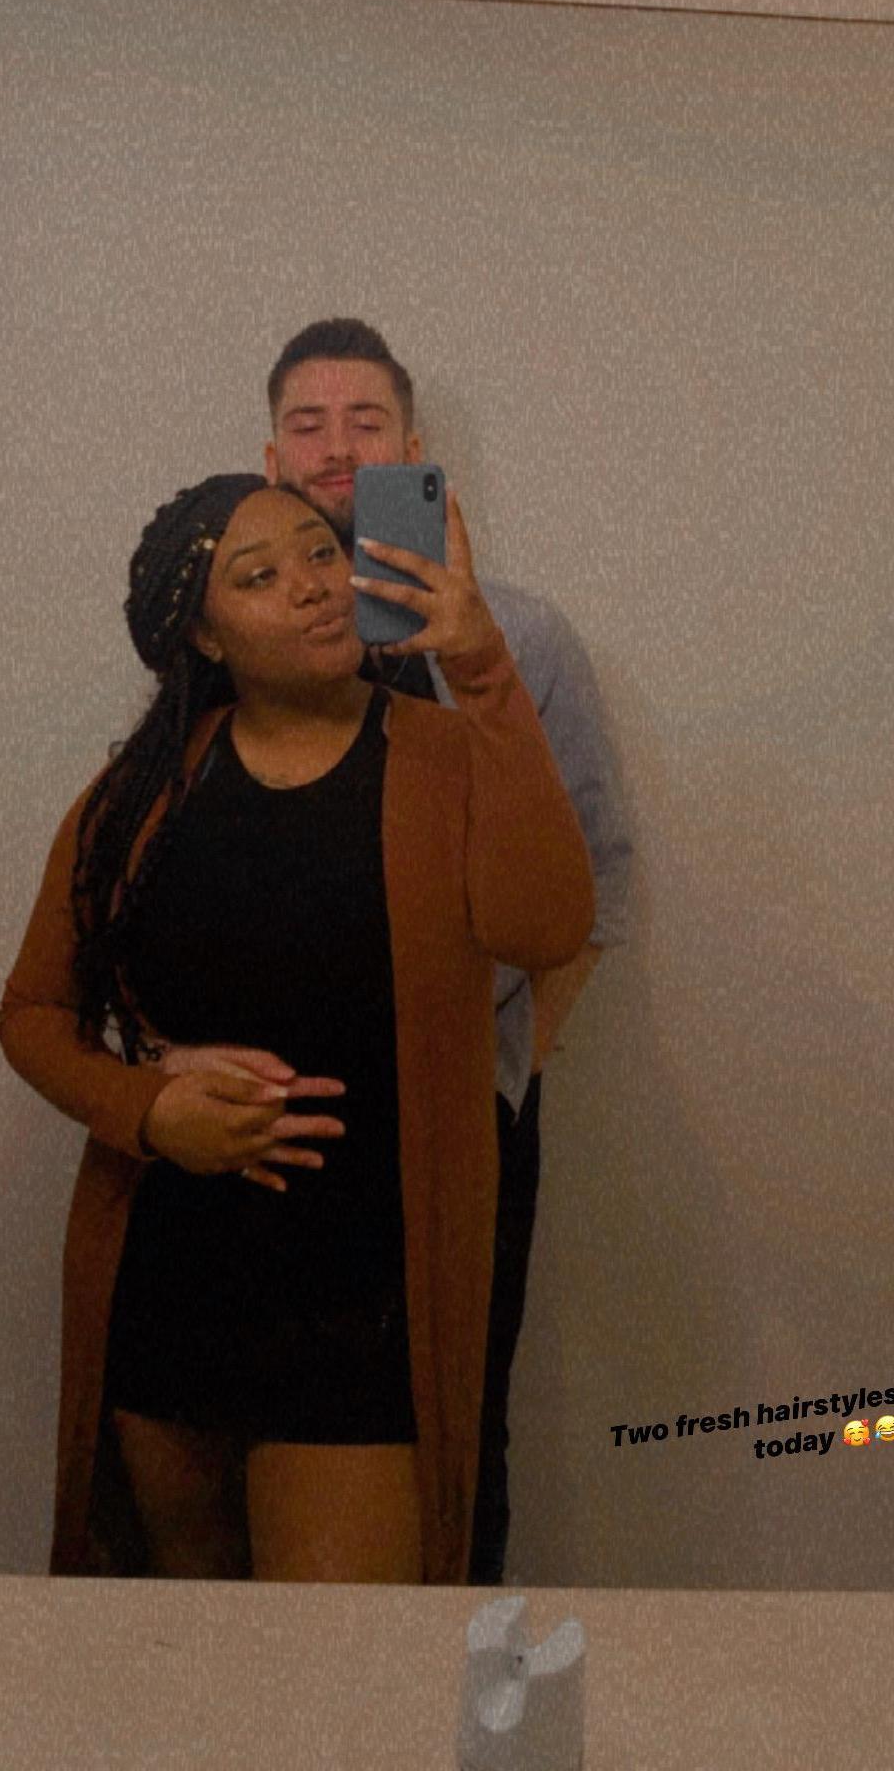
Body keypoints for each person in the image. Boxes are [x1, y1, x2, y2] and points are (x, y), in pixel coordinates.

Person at [0, 471, 593, 1585]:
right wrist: (152, 1111)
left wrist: (481, 665)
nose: (312, 586)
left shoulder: (442, 755)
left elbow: (550, 924)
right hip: (171, 1291)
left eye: (322, 553)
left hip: (366, 1306)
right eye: (259, 576)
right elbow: (32, 1015)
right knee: (187, 1654)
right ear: (204, 634)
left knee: (339, 1671)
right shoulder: (142, 794)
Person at [260, 319, 634, 1586]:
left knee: (464, 1423)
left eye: (365, 422)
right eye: (308, 425)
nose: (337, 448)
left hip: (470, 1105)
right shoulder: (233, 637)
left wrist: (509, 1069)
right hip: (282, 1107)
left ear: (415, 450)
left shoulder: (521, 639)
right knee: (285, 1411)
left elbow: (597, 875)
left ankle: (465, 1680)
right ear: (271, 457)